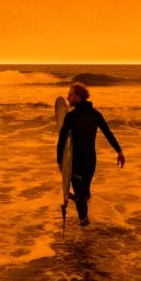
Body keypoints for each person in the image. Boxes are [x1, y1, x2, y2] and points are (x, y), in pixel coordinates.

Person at [56, 84, 125, 226]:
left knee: (81, 194)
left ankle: (84, 224)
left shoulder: (71, 117)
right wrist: (119, 151)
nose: (68, 97)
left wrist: (59, 161)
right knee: (85, 192)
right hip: (91, 161)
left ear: (77, 97)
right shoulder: (95, 114)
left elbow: (62, 140)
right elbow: (108, 133)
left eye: (70, 95)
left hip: (76, 162)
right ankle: (79, 206)